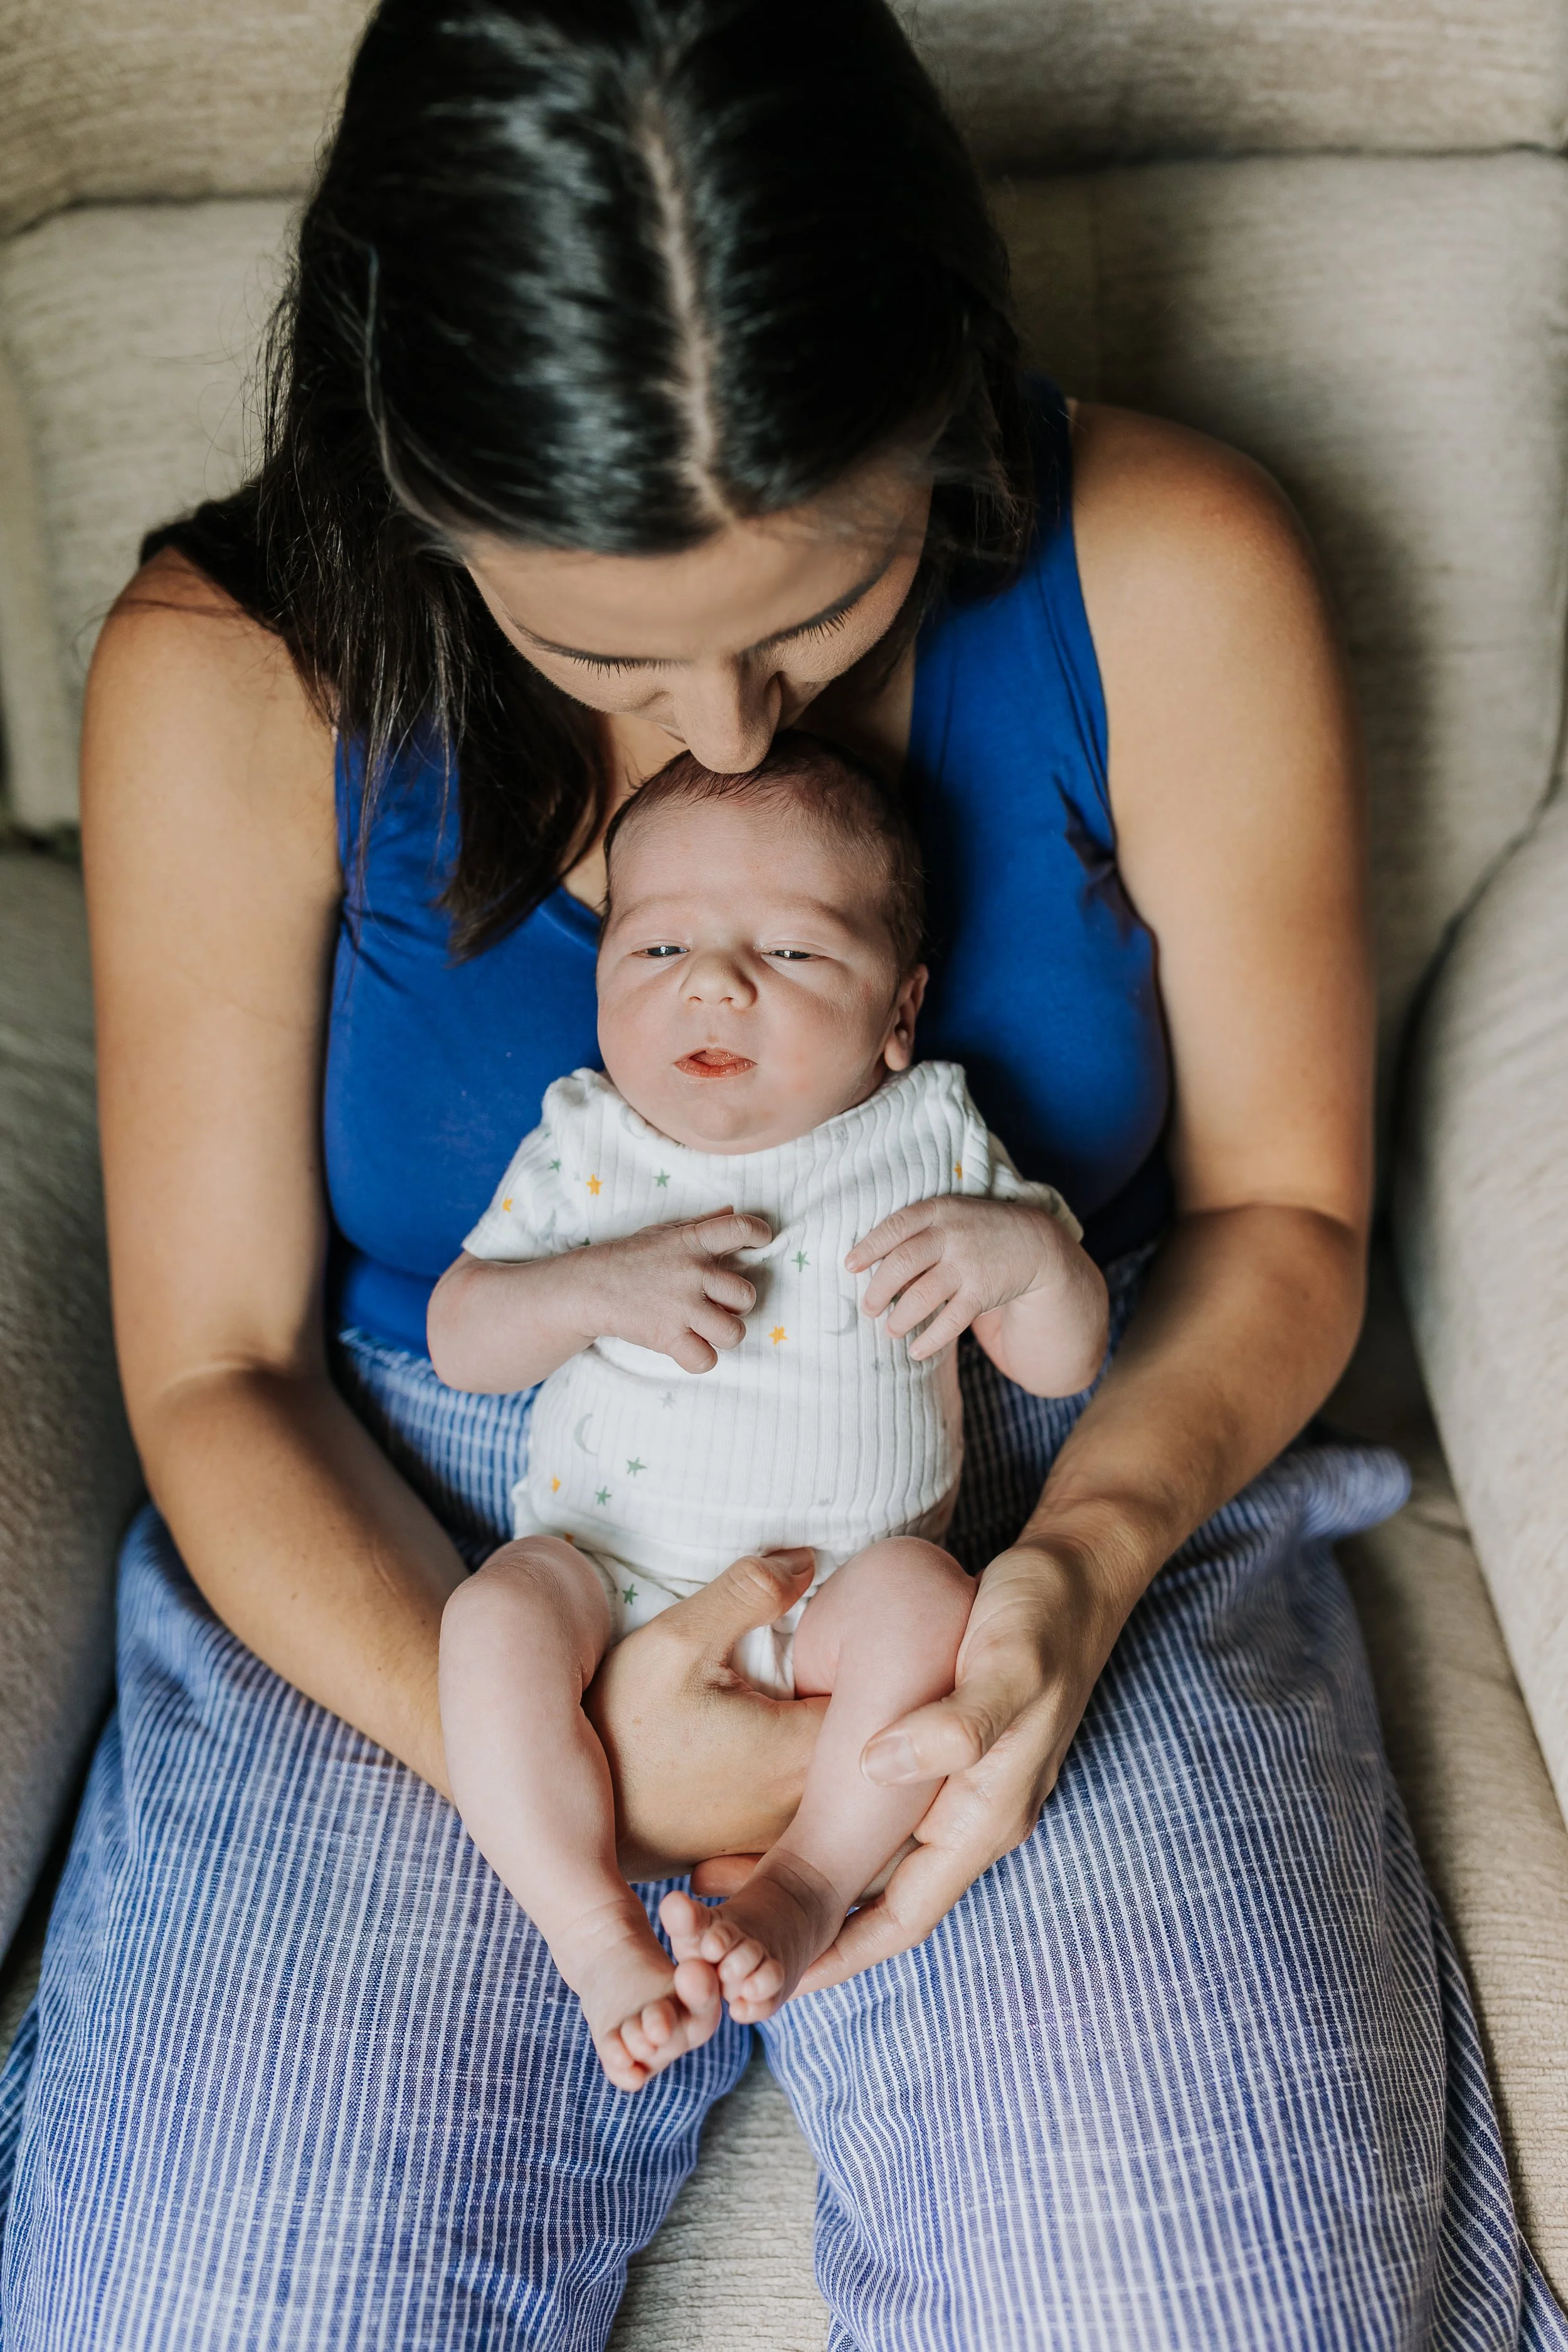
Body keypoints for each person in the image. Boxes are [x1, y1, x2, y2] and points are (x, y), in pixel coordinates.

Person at [1, 0, 1562, 2343]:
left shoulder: (1171, 562)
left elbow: (1288, 1219)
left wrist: (1076, 1575)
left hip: (1033, 1467)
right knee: (227, 2291)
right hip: (454, 1524)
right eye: (598, 644)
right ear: (418, 485)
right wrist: (550, 1751)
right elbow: (217, 1369)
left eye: (819, 602)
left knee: (1190, 2286)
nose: (732, 732)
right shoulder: (233, 670)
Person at [431, 738, 1107, 2084]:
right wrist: (589, 1286)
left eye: (791, 952)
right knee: (491, 1617)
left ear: (899, 1011)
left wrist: (1026, 1260)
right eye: (657, 948)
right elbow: (462, 1339)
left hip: (835, 1606)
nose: (716, 983)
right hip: (598, 1580)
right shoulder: (589, 1142)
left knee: (929, 1598)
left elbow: (1061, 1361)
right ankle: (590, 1929)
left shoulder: (929, 1135)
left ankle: (805, 1881)